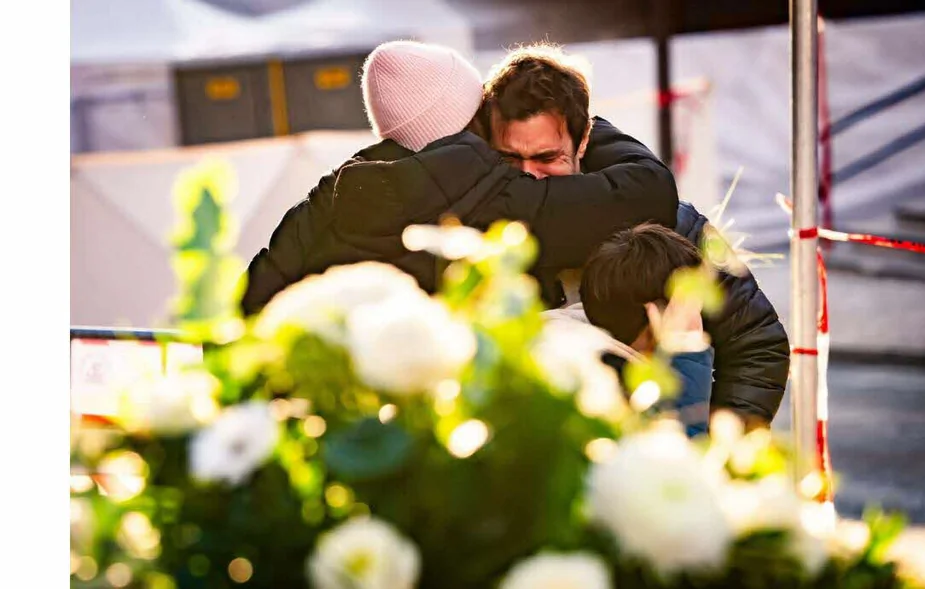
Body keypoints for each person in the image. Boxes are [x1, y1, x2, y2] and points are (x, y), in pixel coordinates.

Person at [240, 40, 679, 316]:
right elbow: (650, 192)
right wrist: (580, 121)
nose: (528, 171)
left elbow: (255, 291)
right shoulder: (492, 195)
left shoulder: (333, 192)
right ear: (474, 124)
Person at [478, 44, 789, 430]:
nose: (528, 176)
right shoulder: (479, 229)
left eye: (547, 158)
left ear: (583, 140)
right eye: (509, 159)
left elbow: (756, 344)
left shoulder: (670, 220)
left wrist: (714, 443)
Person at [576, 223, 714, 436]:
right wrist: (688, 351)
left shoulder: (574, 336)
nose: (697, 315)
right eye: (689, 307)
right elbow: (682, 450)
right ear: (656, 316)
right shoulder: (612, 398)